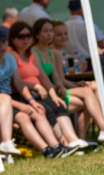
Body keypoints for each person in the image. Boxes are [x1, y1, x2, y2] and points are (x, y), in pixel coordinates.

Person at [33, 18, 104, 142]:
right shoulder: (53, 51)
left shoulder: (51, 52)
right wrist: (73, 85)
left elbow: (58, 78)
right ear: (37, 34)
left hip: (57, 89)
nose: (63, 37)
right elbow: (58, 80)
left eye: (65, 33)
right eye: (58, 34)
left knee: (93, 88)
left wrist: (74, 83)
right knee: (89, 92)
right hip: (51, 94)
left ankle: (98, 128)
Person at [7, 21, 86, 156]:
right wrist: (36, 87)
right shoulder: (11, 54)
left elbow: (43, 76)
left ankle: (71, 142)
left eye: (28, 36)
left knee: (57, 105)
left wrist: (53, 94)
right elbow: (17, 82)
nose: (26, 39)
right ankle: (60, 146)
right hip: (22, 95)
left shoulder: (31, 53)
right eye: (21, 36)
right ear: (13, 39)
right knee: (46, 110)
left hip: (38, 93)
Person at [0, 29, 66, 159]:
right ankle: (46, 150)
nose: (1, 47)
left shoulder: (9, 58)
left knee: (38, 111)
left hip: (9, 99)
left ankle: (56, 146)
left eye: (3, 43)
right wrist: (21, 106)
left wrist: (32, 101)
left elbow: (18, 82)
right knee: (24, 117)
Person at [62, 0, 104, 67]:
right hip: (87, 61)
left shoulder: (64, 25)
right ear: (81, 9)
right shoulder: (88, 25)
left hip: (68, 62)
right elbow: (102, 45)